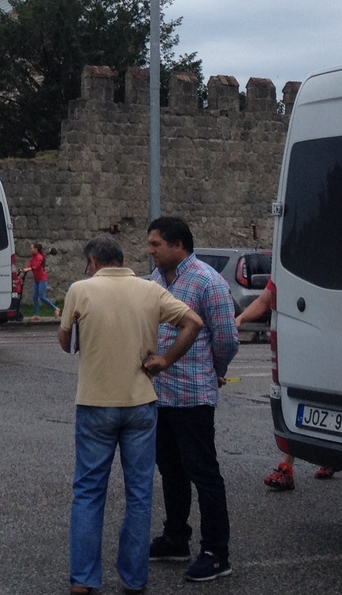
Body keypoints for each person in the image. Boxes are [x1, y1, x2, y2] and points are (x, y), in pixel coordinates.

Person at [60, 233, 204, 595]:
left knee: (89, 491)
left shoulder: (81, 289)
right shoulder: (150, 290)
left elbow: (65, 343)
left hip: (95, 403)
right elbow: (194, 322)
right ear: (122, 260)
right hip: (140, 402)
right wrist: (166, 360)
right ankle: (134, 577)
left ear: (92, 261)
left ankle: (84, 578)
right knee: (139, 493)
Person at [145, 217, 239, 582]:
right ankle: (176, 537)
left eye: (156, 244)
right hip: (160, 395)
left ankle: (217, 552)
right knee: (170, 469)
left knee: (203, 472)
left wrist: (214, 370)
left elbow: (227, 338)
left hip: (193, 395)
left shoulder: (207, 281)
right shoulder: (154, 283)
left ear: (178, 245)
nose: (151, 250)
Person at [236, 280, 334, 489]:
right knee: (302, 403)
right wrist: (241, 318)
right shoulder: (285, 273)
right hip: (298, 345)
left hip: (331, 345)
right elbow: (264, 301)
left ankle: (300, 464)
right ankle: (290, 467)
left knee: (326, 402)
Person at [26, 243, 56, 320]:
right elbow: (30, 264)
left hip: (42, 279)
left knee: (42, 297)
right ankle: (36, 314)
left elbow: (36, 266)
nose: (31, 250)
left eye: (32, 248)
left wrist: (30, 269)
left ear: (36, 249)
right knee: (35, 296)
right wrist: (24, 269)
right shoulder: (33, 257)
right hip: (37, 279)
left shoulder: (39, 257)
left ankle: (55, 308)